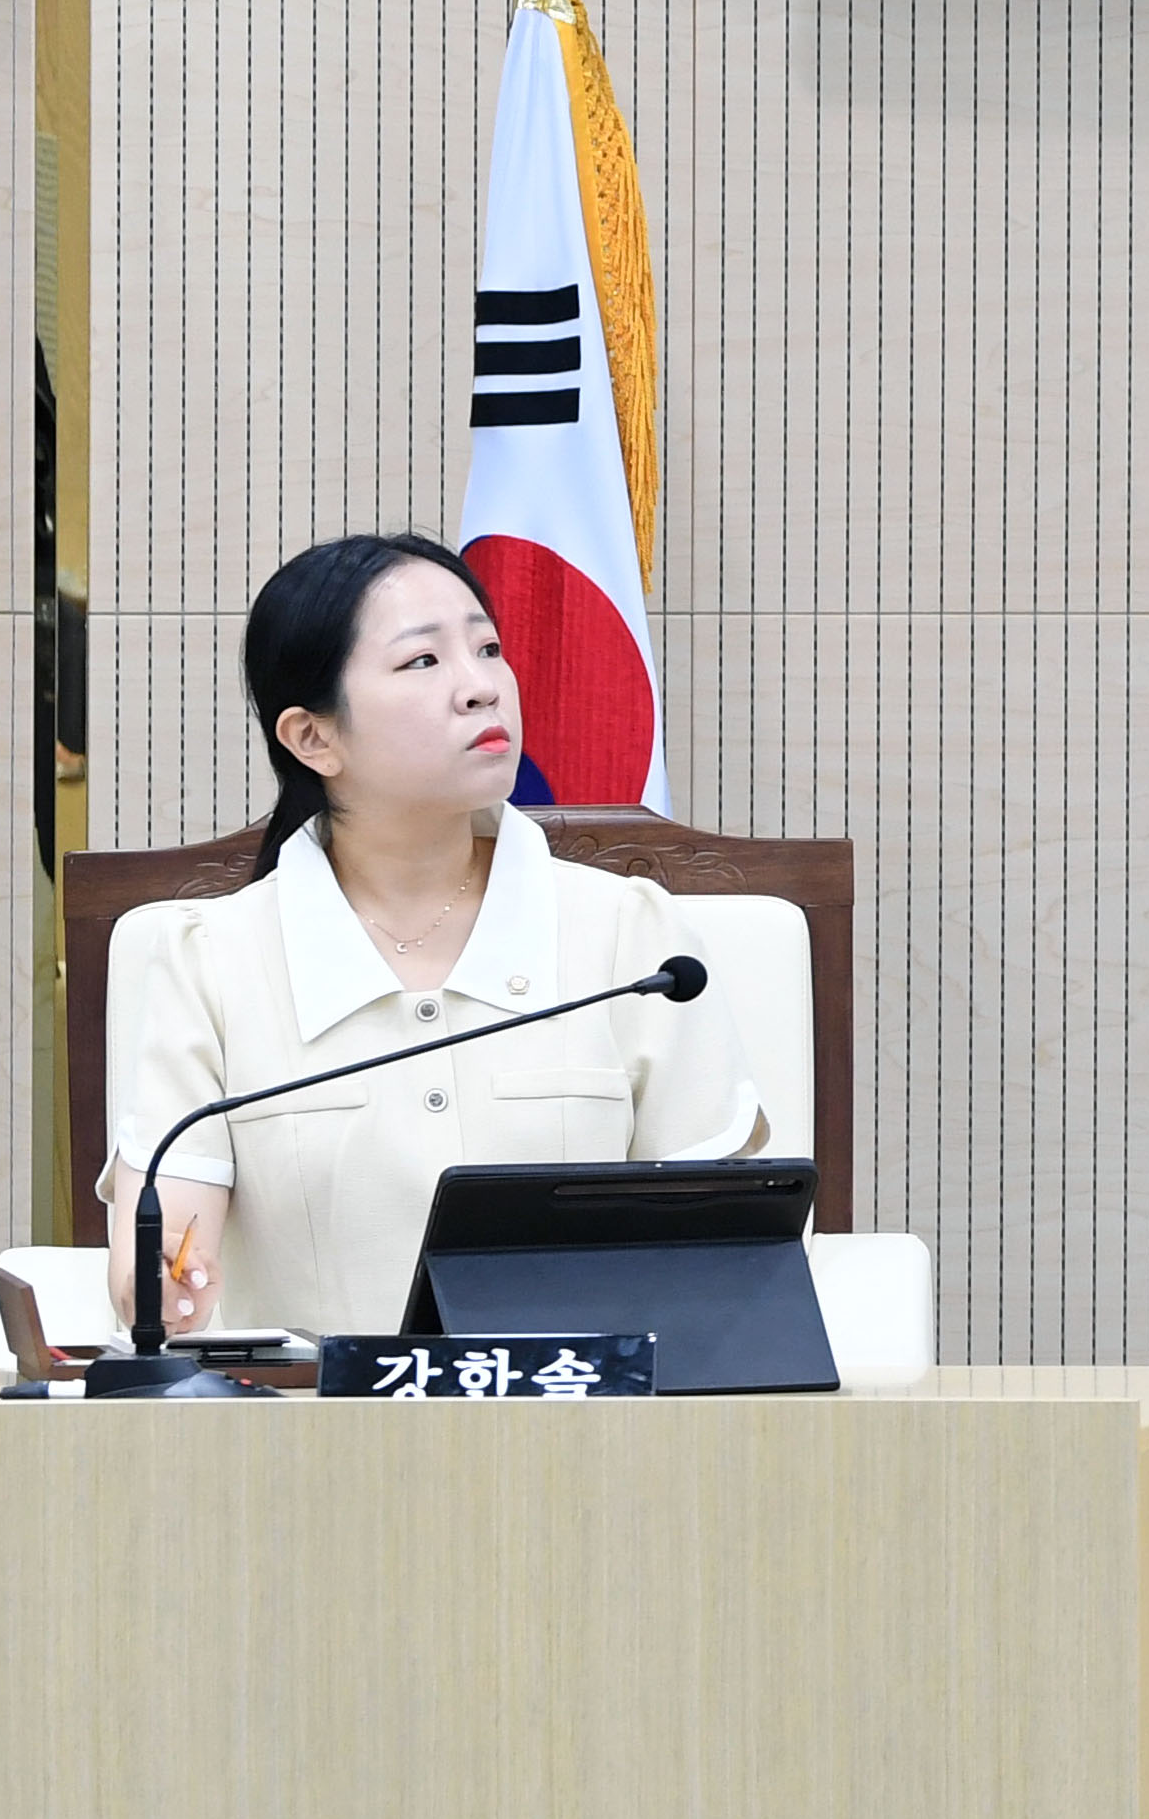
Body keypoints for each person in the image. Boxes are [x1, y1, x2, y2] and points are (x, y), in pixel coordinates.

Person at [103, 532, 764, 1340]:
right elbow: (169, 1243)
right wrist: (160, 1277)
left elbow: (726, 1254)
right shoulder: (212, 958)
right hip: (313, 1446)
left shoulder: (635, 937)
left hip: (585, 1438)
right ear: (314, 738)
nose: (481, 687)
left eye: (487, 648)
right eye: (424, 662)